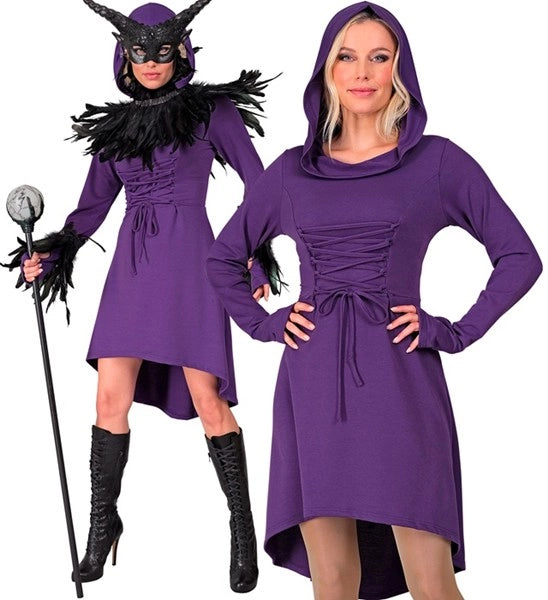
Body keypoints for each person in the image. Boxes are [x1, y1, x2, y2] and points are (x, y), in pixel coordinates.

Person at [205, 2, 543, 599]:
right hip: (312, 383)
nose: (362, 72)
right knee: (333, 582)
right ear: (327, 70)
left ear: (398, 70)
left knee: (430, 582)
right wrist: (265, 324)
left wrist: (453, 331)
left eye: (379, 57)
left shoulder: (437, 161)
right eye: (347, 57)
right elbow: (222, 259)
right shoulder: (289, 173)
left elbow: (520, 256)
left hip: (401, 380)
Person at [3, 0, 285, 593]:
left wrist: (255, 254)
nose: (151, 62)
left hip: (193, 263)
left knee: (208, 398)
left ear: (181, 51)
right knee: (109, 397)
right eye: (139, 52)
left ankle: (241, 528)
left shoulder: (212, 113)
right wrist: (47, 257)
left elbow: (259, 186)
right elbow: (89, 211)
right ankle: (102, 525)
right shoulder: (116, 130)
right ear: (124, 57)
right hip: (132, 269)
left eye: (162, 51)